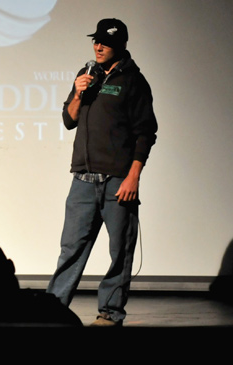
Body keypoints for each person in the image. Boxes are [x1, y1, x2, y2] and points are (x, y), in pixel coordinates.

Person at [47, 18, 158, 327]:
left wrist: (133, 177)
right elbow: (69, 119)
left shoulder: (134, 81)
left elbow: (146, 132)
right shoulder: (86, 75)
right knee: (70, 250)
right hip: (82, 179)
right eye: (96, 41)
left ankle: (109, 313)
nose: (98, 46)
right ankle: (52, 311)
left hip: (117, 181)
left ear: (120, 46)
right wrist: (79, 92)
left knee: (119, 253)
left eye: (105, 43)